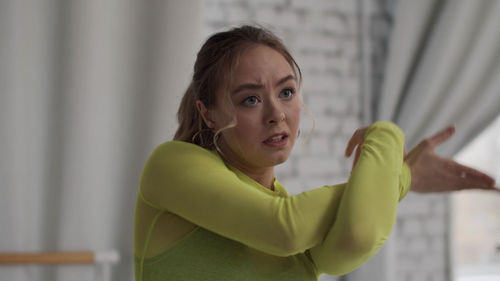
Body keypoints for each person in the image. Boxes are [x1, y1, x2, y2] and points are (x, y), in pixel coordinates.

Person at [133, 25, 497, 281]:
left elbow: (358, 236)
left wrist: (395, 176)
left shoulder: (290, 212)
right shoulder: (170, 166)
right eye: (251, 99)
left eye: (286, 92)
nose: (276, 113)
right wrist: (392, 154)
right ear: (208, 114)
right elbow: (284, 228)